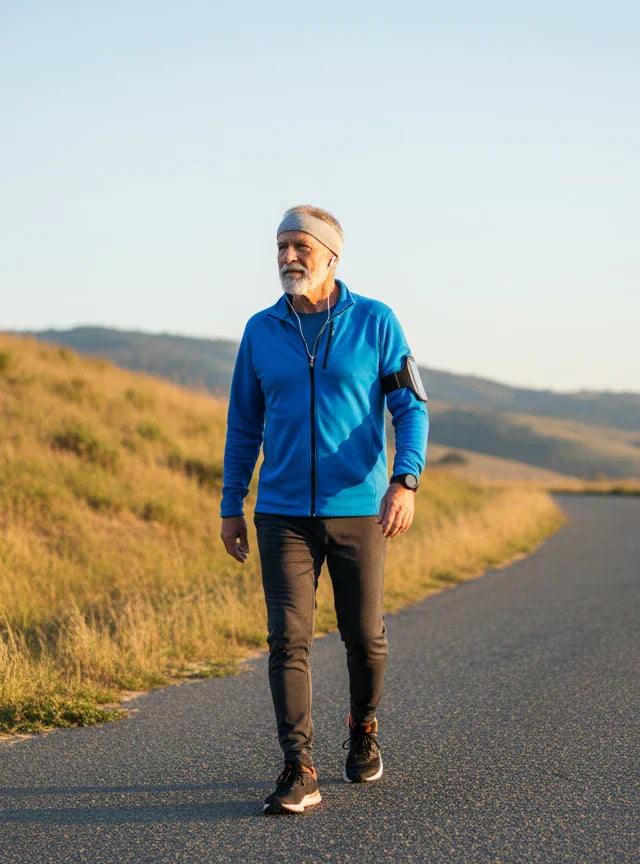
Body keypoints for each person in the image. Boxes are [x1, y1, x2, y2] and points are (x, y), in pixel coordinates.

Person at [220, 205, 429, 815]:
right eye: (281, 246)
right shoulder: (261, 330)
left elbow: (411, 408)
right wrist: (233, 503)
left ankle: (363, 729)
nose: (287, 257)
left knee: (364, 635)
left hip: (358, 508)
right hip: (281, 511)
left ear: (331, 257)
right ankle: (298, 766)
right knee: (287, 638)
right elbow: (243, 425)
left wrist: (404, 479)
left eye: (300, 247)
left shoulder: (376, 322)